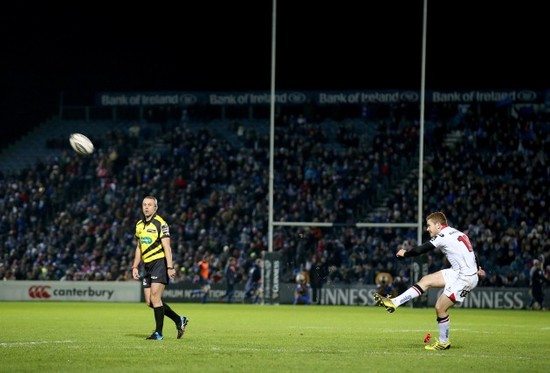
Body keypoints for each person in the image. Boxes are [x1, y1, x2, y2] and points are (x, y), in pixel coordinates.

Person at [374, 211, 485, 351]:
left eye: (429, 225)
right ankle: (394, 302)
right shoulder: (458, 233)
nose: (427, 229)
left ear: (438, 225)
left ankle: (444, 342)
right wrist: (478, 267)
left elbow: (421, 249)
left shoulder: (442, 236)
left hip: (465, 277)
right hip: (459, 272)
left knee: (440, 308)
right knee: (426, 280)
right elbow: (473, 253)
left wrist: (405, 254)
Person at [131, 195, 189, 340]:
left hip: (159, 264)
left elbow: (167, 247)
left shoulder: (160, 224)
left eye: (150, 205)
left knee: (156, 298)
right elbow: (139, 247)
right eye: (144, 204)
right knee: (150, 302)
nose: (146, 207)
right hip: (147, 266)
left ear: (155, 207)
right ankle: (178, 320)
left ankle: (158, 333)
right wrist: (135, 266)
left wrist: (170, 267)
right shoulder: (139, 225)